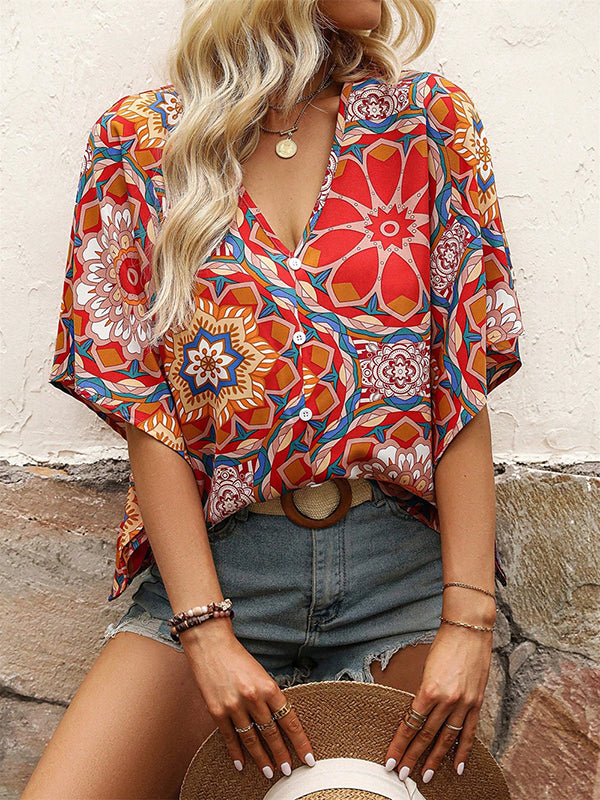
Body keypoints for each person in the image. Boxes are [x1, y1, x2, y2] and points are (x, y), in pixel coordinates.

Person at [25, 0, 524, 797]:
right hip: (223, 572)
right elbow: (146, 411)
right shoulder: (140, 142)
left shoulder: (427, 124)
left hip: (401, 582)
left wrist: (469, 623)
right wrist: (204, 630)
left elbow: (459, 382)